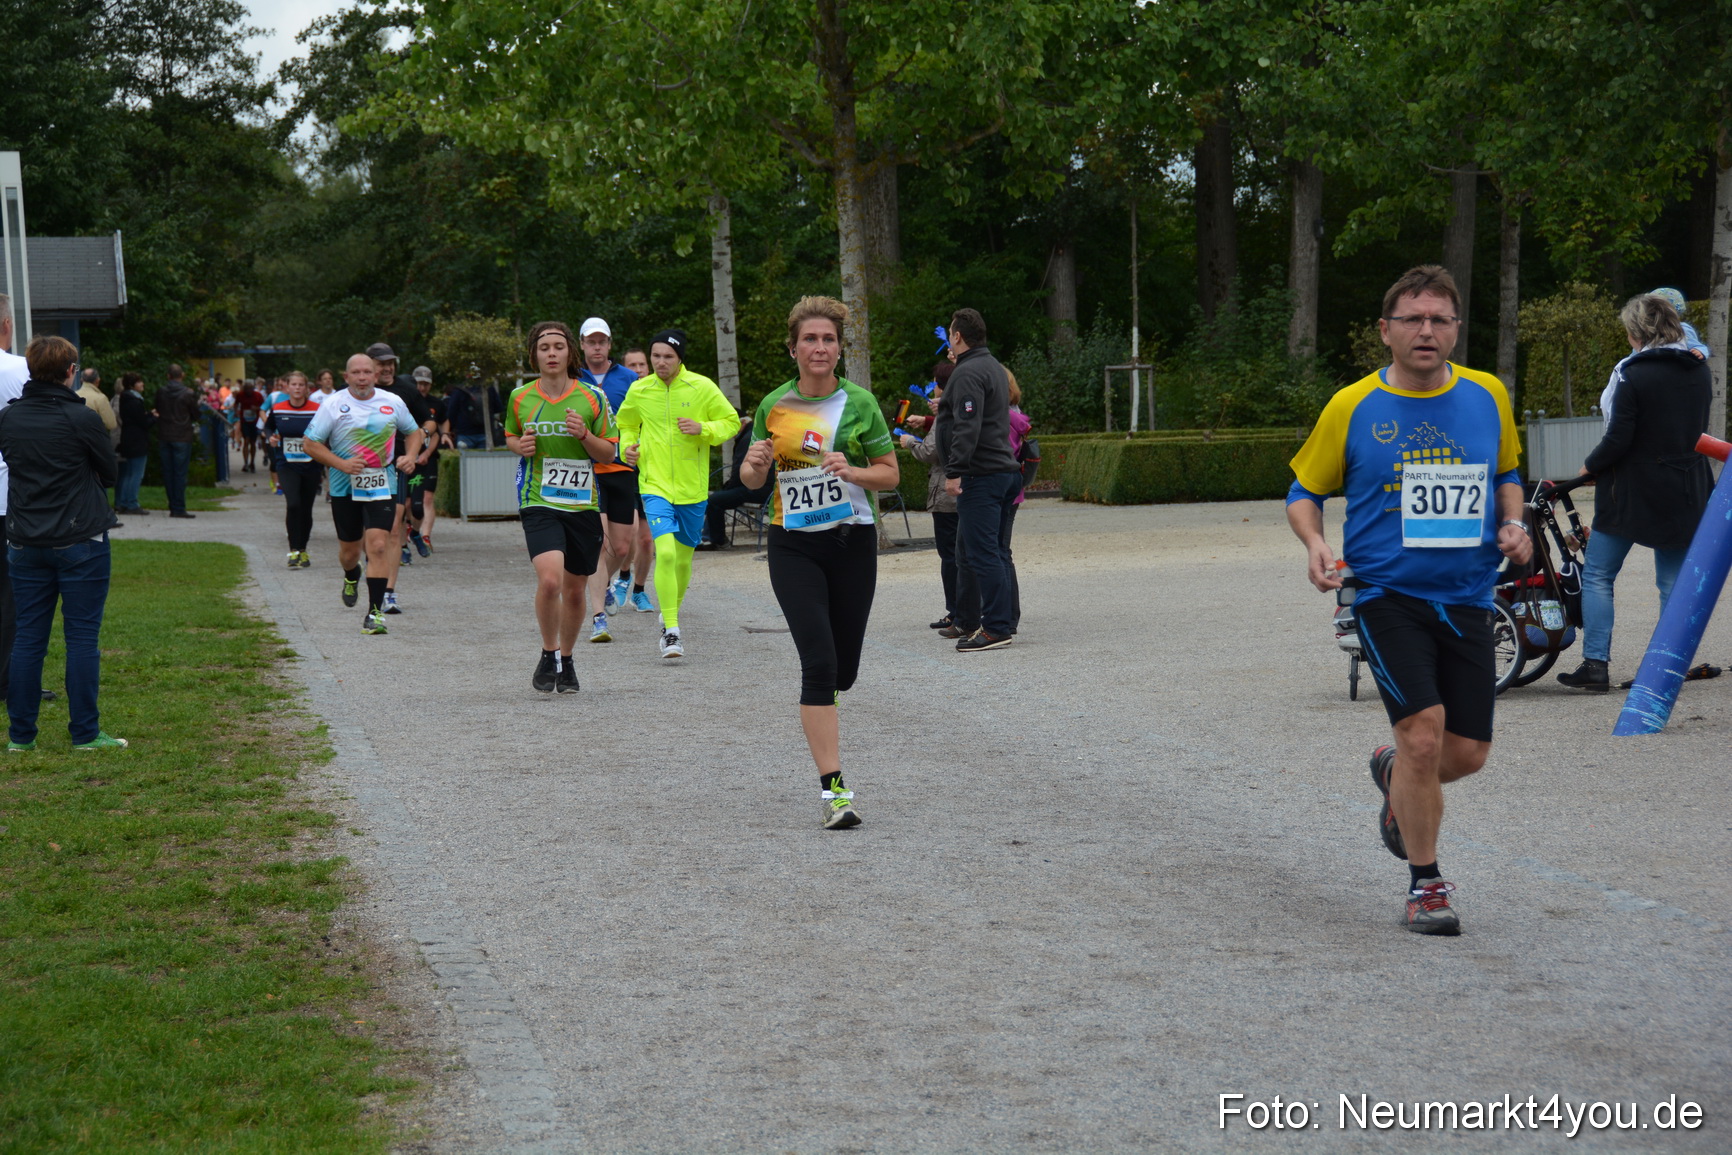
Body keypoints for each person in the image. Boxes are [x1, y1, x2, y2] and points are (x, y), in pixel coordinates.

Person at [1286, 265, 1532, 936]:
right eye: (1413, 319)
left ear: (1456, 329)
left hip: (1470, 595)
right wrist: (1314, 541)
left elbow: (1507, 473)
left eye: (1440, 319)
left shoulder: (1487, 394)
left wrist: (1514, 522)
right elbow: (1304, 491)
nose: (1427, 330)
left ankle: (1395, 775)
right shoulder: (1352, 405)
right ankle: (1427, 884)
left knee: (1467, 752)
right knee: (1424, 734)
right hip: (1385, 594)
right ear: (1385, 330)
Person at [740, 296, 899, 828]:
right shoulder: (773, 405)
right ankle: (835, 793)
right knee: (819, 663)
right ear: (793, 348)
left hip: (852, 543)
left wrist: (853, 472)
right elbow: (752, 481)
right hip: (793, 544)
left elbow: (890, 475)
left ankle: (826, 700)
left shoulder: (861, 403)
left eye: (828, 339)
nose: (820, 347)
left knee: (843, 672)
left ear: (839, 349)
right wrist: (752, 463)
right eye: (810, 338)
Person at [1558, 294, 1714, 691]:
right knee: (1672, 584)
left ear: (1637, 333)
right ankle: (1666, 667)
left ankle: (1596, 665)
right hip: (1686, 486)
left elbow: (1619, 438)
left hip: (1630, 490)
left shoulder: (1632, 373)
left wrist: (1589, 467)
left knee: (1598, 575)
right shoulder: (1699, 371)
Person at [0, 336, 126, 750]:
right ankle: (85, 733)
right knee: (82, 637)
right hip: (80, 537)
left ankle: (21, 736)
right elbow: (109, 473)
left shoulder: (8, 417)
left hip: (24, 537)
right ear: (71, 371)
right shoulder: (81, 417)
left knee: (27, 637)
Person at [505, 321, 618, 691]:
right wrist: (519, 446)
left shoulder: (592, 397)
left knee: (573, 590)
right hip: (538, 499)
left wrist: (584, 434)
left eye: (558, 347)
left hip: (582, 504)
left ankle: (567, 660)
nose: (551, 354)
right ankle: (549, 652)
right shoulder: (520, 397)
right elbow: (511, 434)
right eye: (544, 348)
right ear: (534, 355)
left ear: (570, 352)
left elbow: (609, 452)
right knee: (550, 579)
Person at [614, 329, 738, 658]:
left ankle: (670, 612)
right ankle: (671, 630)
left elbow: (731, 422)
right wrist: (628, 447)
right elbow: (626, 424)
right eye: (656, 356)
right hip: (653, 485)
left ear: (680, 358)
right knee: (665, 554)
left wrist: (703, 429)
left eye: (668, 356)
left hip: (692, 488)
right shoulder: (640, 389)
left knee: (683, 560)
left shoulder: (701, 387)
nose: (661, 362)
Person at [302, 353, 424, 634]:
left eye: (367, 372)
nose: (362, 378)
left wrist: (411, 456)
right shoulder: (333, 404)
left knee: (379, 545)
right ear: (346, 377)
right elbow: (310, 443)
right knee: (349, 552)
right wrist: (341, 464)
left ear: (375, 375)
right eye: (355, 373)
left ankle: (374, 614)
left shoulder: (392, 402)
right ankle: (351, 573)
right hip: (344, 486)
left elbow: (414, 432)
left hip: (382, 483)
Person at [934, 308, 1021, 652]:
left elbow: (967, 425)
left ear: (957, 336)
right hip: (1000, 471)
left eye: (950, 334)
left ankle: (997, 628)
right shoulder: (993, 366)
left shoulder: (969, 371)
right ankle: (994, 620)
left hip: (981, 475)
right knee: (988, 552)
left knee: (983, 554)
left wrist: (954, 471)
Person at [575, 317, 649, 641]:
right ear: (582, 345)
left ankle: (605, 582)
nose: (596, 347)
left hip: (621, 469)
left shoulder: (629, 379)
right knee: (598, 542)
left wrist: (641, 448)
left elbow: (645, 420)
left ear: (609, 344)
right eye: (591, 342)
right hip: (587, 469)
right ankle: (598, 618)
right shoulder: (573, 378)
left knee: (621, 546)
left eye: (601, 342)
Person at [365, 342, 438, 613]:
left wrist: (420, 437)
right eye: (381, 363)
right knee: (369, 534)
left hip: (396, 464)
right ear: (369, 364)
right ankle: (366, 567)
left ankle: (388, 592)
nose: (387, 368)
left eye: (390, 363)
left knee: (394, 528)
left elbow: (429, 421)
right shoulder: (356, 391)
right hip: (362, 467)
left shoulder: (405, 390)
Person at [902, 363, 958, 631]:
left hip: (947, 497)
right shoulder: (962, 408)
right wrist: (927, 421)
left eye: (935, 383)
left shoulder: (949, 413)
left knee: (950, 557)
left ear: (941, 386)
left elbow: (929, 452)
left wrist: (910, 442)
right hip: (963, 494)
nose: (933, 388)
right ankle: (966, 610)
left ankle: (957, 612)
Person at [263, 371, 325, 569]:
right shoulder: (279, 408)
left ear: (307, 388)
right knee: (293, 504)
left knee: (306, 508)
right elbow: (268, 427)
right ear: (286, 387)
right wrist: (271, 437)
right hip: (287, 464)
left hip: (311, 465)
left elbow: (326, 431)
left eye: (301, 385)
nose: (297, 388)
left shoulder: (316, 409)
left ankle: (303, 549)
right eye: (294, 385)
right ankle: (293, 550)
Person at [0, 295, 28, 702]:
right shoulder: (18, 369)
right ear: (6, 325)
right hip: (8, 495)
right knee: (10, 593)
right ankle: (7, 679)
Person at [700, 416, 774, 550]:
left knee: (715, 500)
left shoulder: (748, 438)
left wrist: (728, 489)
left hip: (757, 488)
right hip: (758, 486)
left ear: (743, 423)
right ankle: (710, 537)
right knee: (717, 498)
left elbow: (740, 471)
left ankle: (717, 540)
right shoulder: (750, 435)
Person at [406, 366, 447, 556]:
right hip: (408, 458)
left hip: (427, 458)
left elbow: (440, 426)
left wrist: (427, 453)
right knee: (407, 503)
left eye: (426, 384)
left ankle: (425, 536)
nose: (422, 388)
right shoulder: (405, 401)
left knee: (427, 499)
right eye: (419, 384)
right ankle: (408, 532)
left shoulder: (436, 403)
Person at [155, 364, 200, 518]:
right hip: (182, 436)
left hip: (165, 435)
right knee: (180, 473)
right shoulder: (188, 393)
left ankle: (172, 504)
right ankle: (179, 507)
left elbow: (158, 409)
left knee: (168, 472)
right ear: (182, 375)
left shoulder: (161, 392)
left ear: (168, 376)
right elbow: (196, 414)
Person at [115, 373, 153, 515]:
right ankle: (131, 503)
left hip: (128, 439)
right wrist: (153, 418)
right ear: (132, 385)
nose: (142, 384)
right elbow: (142, 422)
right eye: (139, 382)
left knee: (129, 473)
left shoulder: (124, 399)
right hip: (137, 441)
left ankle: (123, 502)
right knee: (136, 474)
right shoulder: (134, 401)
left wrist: (148, 415)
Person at [234, 378, 265, 473]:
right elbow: (236, 404)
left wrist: (256, 408)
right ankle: (246, 463)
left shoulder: (258, 395)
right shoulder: (240, 395)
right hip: (245, 421)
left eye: (250, 388)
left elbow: (264, 407)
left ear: (253, 388)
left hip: (255, 422)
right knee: (246, 441)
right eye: (246, 388)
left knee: (252, 442)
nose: (248, 390)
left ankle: (252, 462)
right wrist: (236, 412)